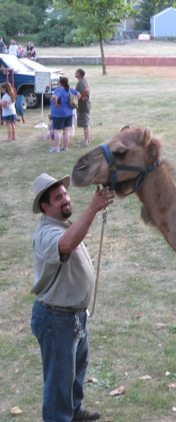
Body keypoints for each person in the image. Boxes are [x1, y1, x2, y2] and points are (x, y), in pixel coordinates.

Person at [30, 173, 114, 422]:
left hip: (75, 316)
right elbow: (66, 245)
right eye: (58, 198)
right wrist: (92, 208)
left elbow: (73, 235)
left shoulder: (63, 225)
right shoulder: (46, 234)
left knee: (76, 371)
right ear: (45, 207)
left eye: (65, 194)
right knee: (59, 382)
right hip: (56, 319)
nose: (65, 199)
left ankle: (75, 412)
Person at [50, 77, 80, 153]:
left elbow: (54, 97)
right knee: (66, 130)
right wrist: (74, 101)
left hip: (59, 114)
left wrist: (56, 104)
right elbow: (79, 94)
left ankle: (57, 148)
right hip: (69, 113)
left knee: (57, 131)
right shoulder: (70, 89)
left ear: (60, 83)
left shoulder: (58, 90)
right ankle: (65, 147)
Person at [75, 68, 91, 147]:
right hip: (84, 106)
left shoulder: (81, 82)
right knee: (86, 123)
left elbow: (86, 90)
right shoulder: (83, 81)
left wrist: (81, 96)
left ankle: (86, 142)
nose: (75, 73)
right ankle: (86, 140)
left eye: (76, 72)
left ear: (79, 73)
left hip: (84, 106)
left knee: (85, 123)